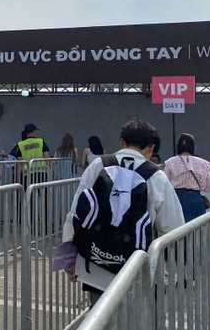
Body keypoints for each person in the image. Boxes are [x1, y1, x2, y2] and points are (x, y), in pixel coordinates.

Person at [61, 118, 185, 301]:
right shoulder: (156, 176)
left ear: (121, 141)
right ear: (151, 148)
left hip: (95, 268)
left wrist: (67, 259)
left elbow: (74, 215)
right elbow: (174, 228)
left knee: (99, 324)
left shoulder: (98, 165)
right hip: (136, 272)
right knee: (137, 326)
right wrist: (177, 270)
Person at [162, 133, 210, 222]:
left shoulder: (171, 162)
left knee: (178, 228)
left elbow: (164, 185)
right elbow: (209, 187)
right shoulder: (203, 164)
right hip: (196, 198)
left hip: (176, 197)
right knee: (196, 230)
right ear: (193, 146)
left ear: (178, 146)